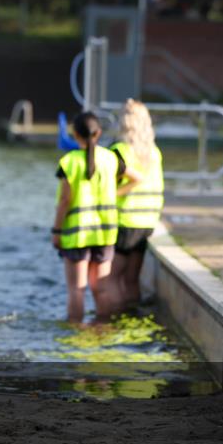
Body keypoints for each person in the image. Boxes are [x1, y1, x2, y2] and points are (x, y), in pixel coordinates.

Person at [51, 112, 142, 323]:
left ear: (74, 135)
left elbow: (64, 201)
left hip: (76, 235)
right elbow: (137, 178)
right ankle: (102, 329)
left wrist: (56, 231)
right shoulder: (110, 158)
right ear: (98, 133)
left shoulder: (69, 162)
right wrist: (116, 193)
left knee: (77, 290)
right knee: (101, 289)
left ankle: (75, 333)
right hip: (104, 234)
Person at [109, 99, 164, 306]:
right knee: (132, 279)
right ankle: (132, 317)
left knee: (111, 278)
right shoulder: (154, 152)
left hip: (126, 222)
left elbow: (116, 183)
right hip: (147, 222)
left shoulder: (120, 151)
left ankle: (112, 320)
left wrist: (113, 195)